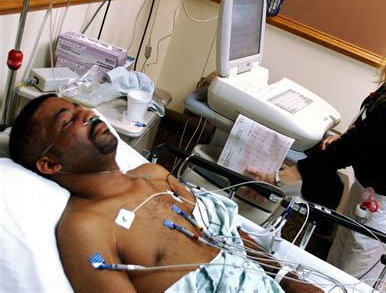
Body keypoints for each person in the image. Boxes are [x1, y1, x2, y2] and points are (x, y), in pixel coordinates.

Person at [8, 94, 323, 293]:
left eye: (81, 107)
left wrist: (289, 278)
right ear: (49, 163)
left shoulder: (155, 174)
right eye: (68, 121)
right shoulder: (86, 228)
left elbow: (229, 235)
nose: (89, 114)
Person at [246, 12, 386, 283]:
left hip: (385, 207)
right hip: (367, 189)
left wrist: (277, 178)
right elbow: (364, 137)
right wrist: (346, 140)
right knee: (337, 259)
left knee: (350, 278)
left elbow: (344, 154)